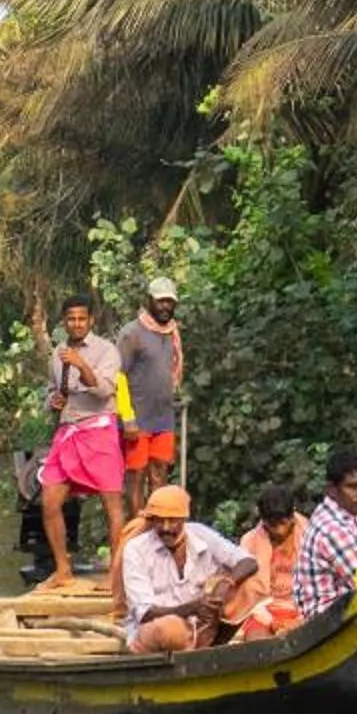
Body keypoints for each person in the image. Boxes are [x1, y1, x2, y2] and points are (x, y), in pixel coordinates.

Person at [37, 296, 126, 587]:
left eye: (81, 319)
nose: (76, 324)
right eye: (71, 319)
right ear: (64, 321)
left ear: (90, 321)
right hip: (68, 431)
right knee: (50, 501)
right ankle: (63, 570)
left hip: (99, 429)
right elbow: (51, 393)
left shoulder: (106, 350)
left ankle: (116, 572)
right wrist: (54, 400)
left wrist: (81, 364)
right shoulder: (57, 353)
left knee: (111, 503)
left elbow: (104, 391)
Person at [113, 483, 264, 654]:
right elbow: (145, 612)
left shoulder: (201, 534)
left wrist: (227, 583)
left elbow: (248, 562)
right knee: (170, 629)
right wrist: (192, 608)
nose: (166, 528)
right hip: (156, 630)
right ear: (152, 520)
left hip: (200, 628)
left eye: (172, 520)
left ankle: (213, 650)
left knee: (251, 586)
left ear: (184, 519)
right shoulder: (136, 548)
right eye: (159, 520)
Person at [115, 276, 185, 514]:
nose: (165, 307)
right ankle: (137, 533)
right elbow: (119, 376)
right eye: (160, 301)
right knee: (136, 476)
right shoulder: (131, 333)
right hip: (137, 418)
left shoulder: (171, 332)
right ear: (148, 301)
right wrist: (127, 417)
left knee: (160, 475)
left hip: (163, 418)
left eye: (169, 302)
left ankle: (159, 528)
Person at [291, 447, 357, 620]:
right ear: (332, 489)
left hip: (347, 613)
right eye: (353, 487)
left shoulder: (344, 518)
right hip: (330, 624)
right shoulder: (333, 528)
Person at [235, 482, 309, 636]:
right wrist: (272, 623)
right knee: (257, 641)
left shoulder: (311, 534)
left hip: (306, 610)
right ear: (263, 521)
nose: (280, 531)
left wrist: (300, 620)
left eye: (283, 523)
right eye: (273, 525)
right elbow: (248, 596)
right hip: (264, 613)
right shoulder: (249, 542)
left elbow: (321, 586)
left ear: (292, 515)